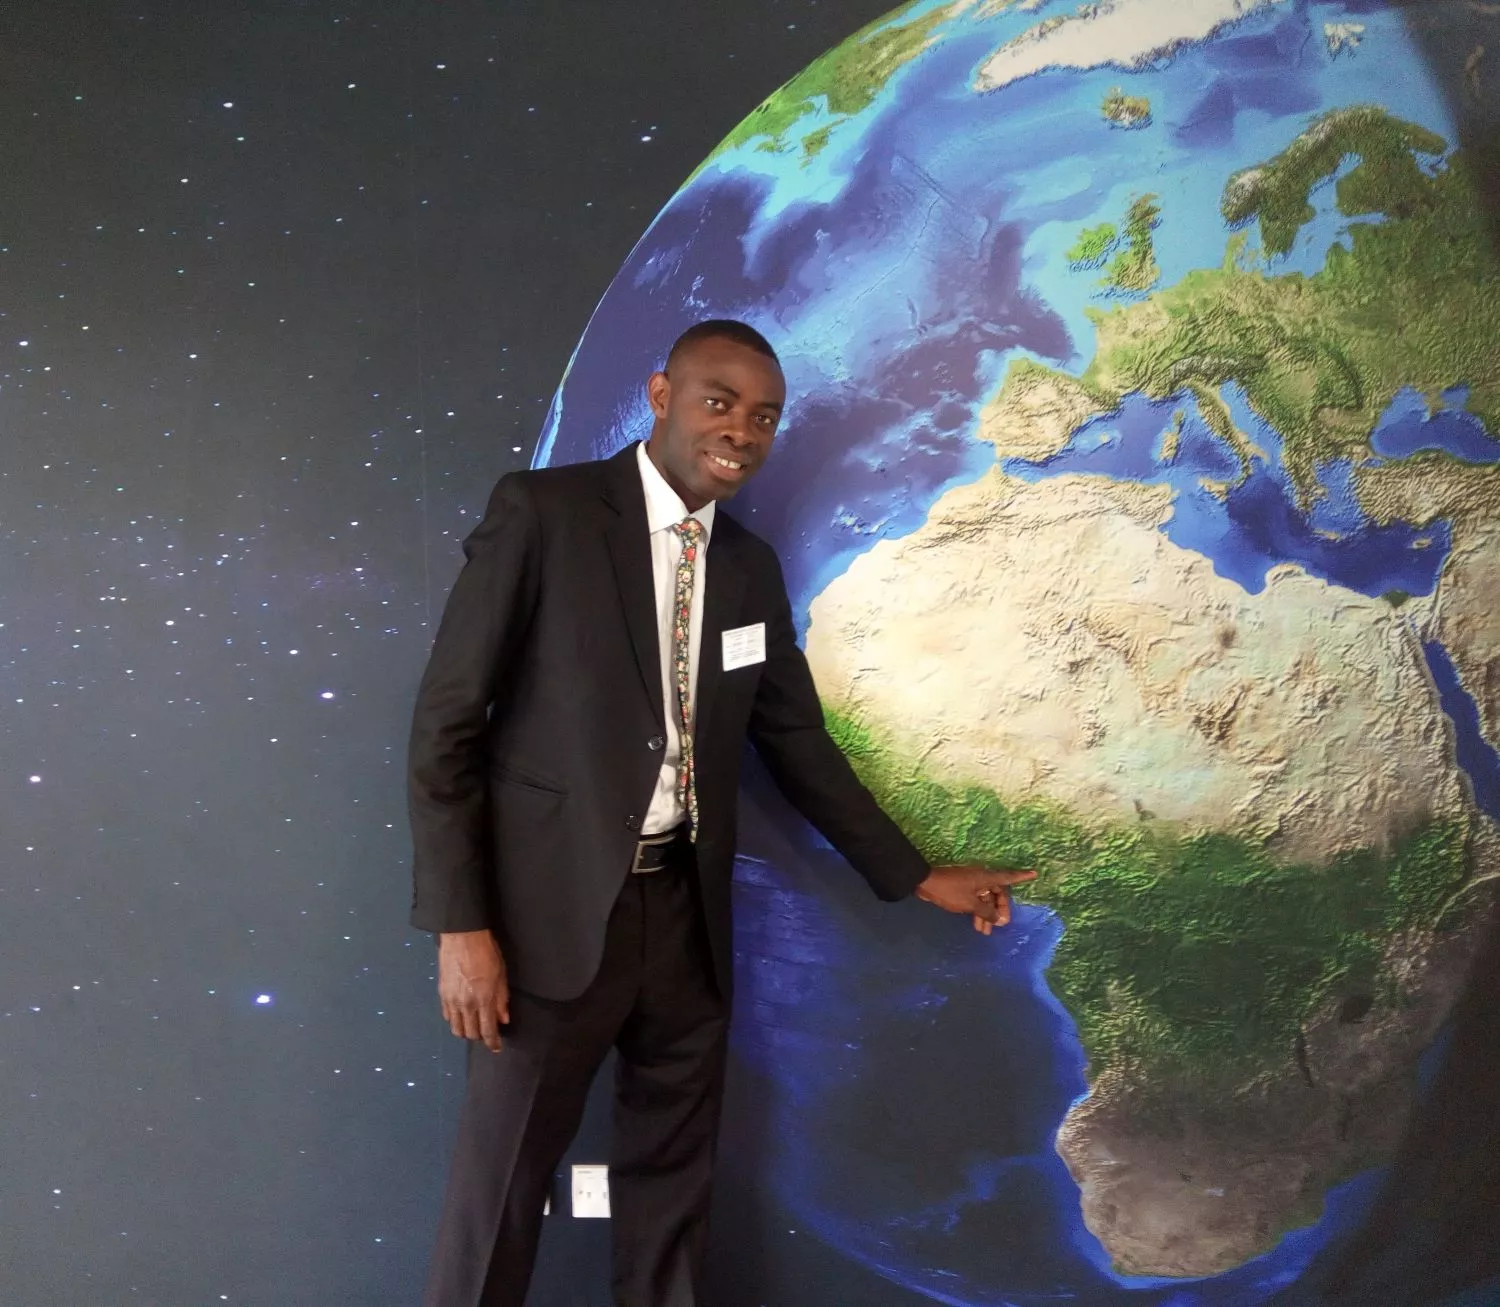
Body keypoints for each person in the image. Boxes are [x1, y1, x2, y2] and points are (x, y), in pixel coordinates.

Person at [407, 319, 1036, 1307]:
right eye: (719, 400)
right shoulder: (547, 514)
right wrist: (462, 925)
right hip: (547, 926)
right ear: (660, 394)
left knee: (670, 1189)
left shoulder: (747, 568)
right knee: (504, 1189)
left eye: (764, 416)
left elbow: (797, 745)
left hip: (686, 924)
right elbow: (447, 727)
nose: (742, 428)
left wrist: (914, 872)